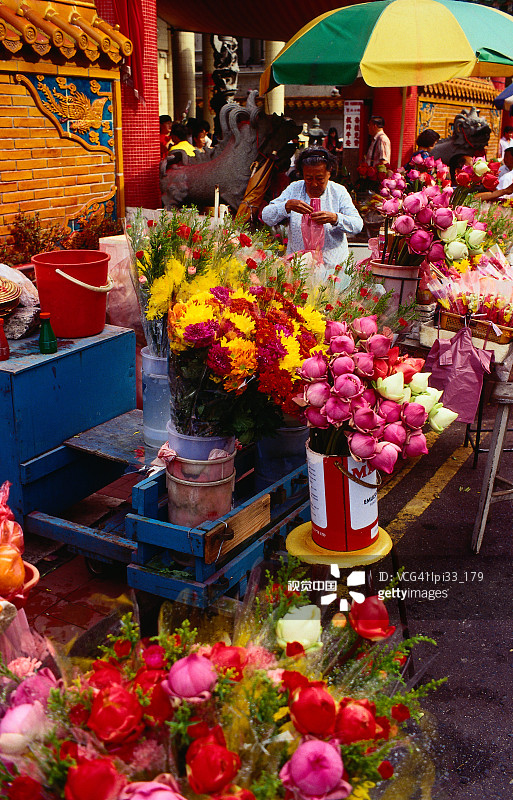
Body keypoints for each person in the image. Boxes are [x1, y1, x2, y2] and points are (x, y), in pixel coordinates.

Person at [261, 146, 363, 280]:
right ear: (302, 174)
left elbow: (357, 225)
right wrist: (286, 206)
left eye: (320, 178)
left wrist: (335, 218)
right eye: (308, 178)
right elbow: (266, 216)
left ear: (329, 172)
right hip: (298, 268)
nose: (314, 184)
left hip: (332, 270)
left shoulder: (338, 192)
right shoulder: (294, 189)